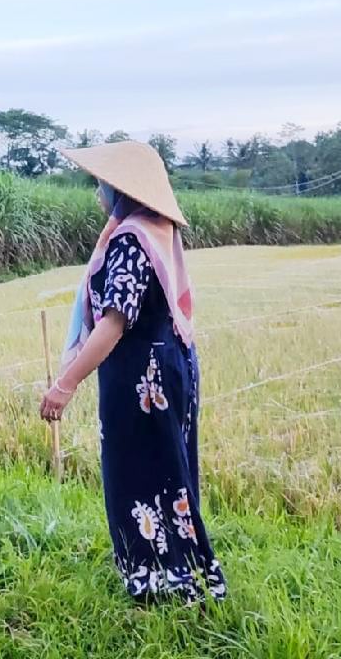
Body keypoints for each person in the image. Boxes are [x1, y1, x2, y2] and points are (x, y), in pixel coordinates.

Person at [39, 141, 226, 605]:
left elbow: (112, 324)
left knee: (137, 470)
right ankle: (174, 570)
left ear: (121, 188)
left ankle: (156, 576)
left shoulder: (130, 239)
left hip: (143, 377)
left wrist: (65, 384)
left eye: (101, 183)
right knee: (168, 470)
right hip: (171, 366)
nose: (97, 190)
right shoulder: (157, 230)